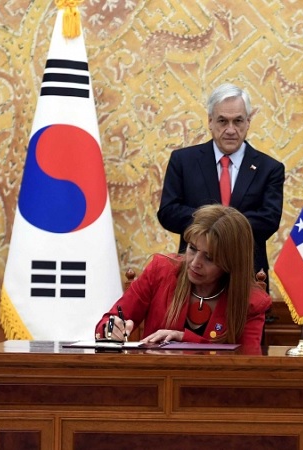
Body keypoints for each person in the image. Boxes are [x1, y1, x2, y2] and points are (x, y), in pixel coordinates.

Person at [158, 83, 284, 290]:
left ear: (248, 122)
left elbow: (268, 220)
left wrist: (215, 226)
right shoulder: (183, 161)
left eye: (238, 121)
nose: (231, 130)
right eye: (223, 121)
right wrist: (217, 224)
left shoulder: (269, 168)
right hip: (194, 273)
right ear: (210, 121)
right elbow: (168, 212)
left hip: (246, 275)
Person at [96, 205, 272, 346]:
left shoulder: (252, 301)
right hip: (156, 377)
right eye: (192, 249)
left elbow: (247, 360)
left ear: (231, 263)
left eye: (209, 258)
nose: (195, 262)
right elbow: (106, 322)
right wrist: (110, 329)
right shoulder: (161, 271)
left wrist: (184, 338)